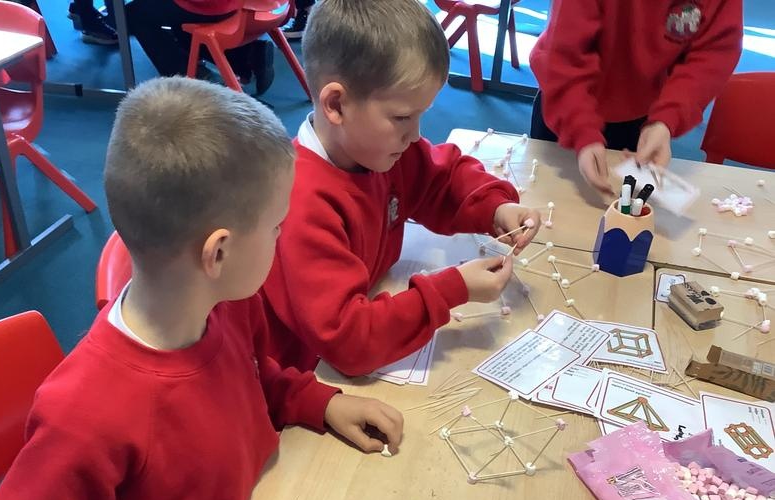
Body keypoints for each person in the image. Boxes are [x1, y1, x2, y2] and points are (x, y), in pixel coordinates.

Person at [0, 77, 403, 500]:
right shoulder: (87, 417)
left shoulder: (224, 302)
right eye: (276, 228)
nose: (283, 239)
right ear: (218, 253)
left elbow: (252, 376)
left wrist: (315, 400)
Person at [259, 0, 541, 377]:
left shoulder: (378, 150)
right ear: (336, 105)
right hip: (300, 373)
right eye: (403, 117)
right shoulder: (301, 203)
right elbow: (348, 341)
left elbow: (441, 179)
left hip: (361, 320)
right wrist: (451, 290)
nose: (416, 134)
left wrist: (495, 208)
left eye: (420, 115)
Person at [529, 0, 743, 197]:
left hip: (642, 115)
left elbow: (713, 52)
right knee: (546, 201)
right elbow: (563, 55)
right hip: (566, 106)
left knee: (623, 208)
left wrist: (667, 118)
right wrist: (579, 128)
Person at [125, 0, 276, 94]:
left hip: (207, 5)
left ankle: (186, 75)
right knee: (180, 25)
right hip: (243, 5)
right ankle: (248, 56)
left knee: (133, 15)